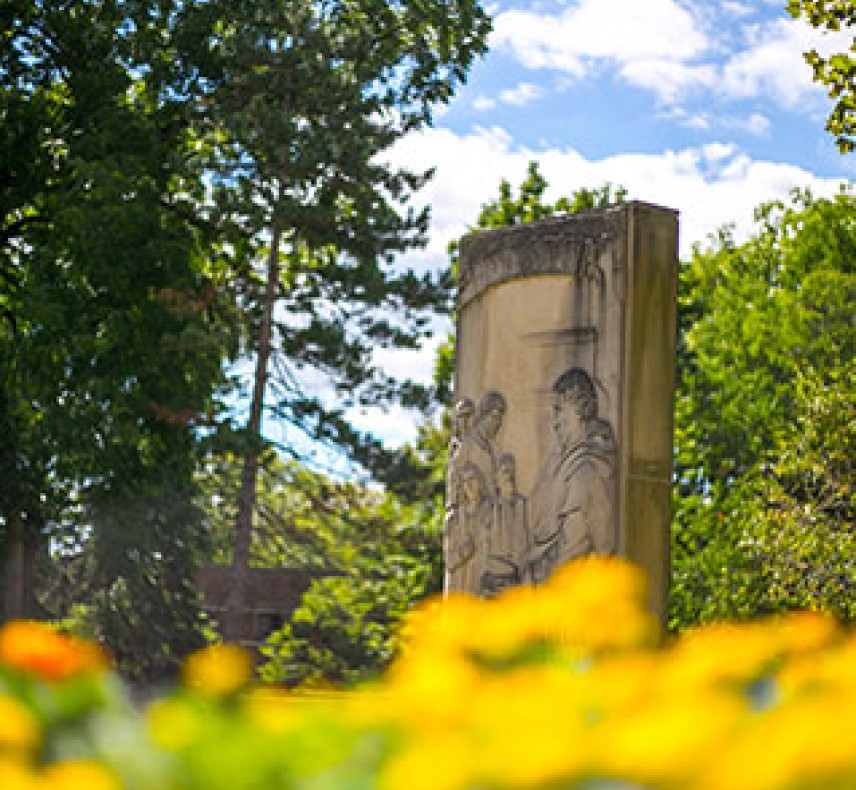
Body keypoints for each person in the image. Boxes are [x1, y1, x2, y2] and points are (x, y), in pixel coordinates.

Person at [527, 368, 616, 583]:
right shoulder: (568, 463)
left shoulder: (585, 470)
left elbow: (570, 553)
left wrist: (527, 577)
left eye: (559, 410)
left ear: (581, 409)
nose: (555, 422)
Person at [481, 453, 528, 596]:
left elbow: (522, 540)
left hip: (514, 572)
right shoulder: (489, 506)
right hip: (492, 572)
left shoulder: (520, 503)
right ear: (496, 478)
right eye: (505, 471)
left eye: (512, 472)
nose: (510, 477)